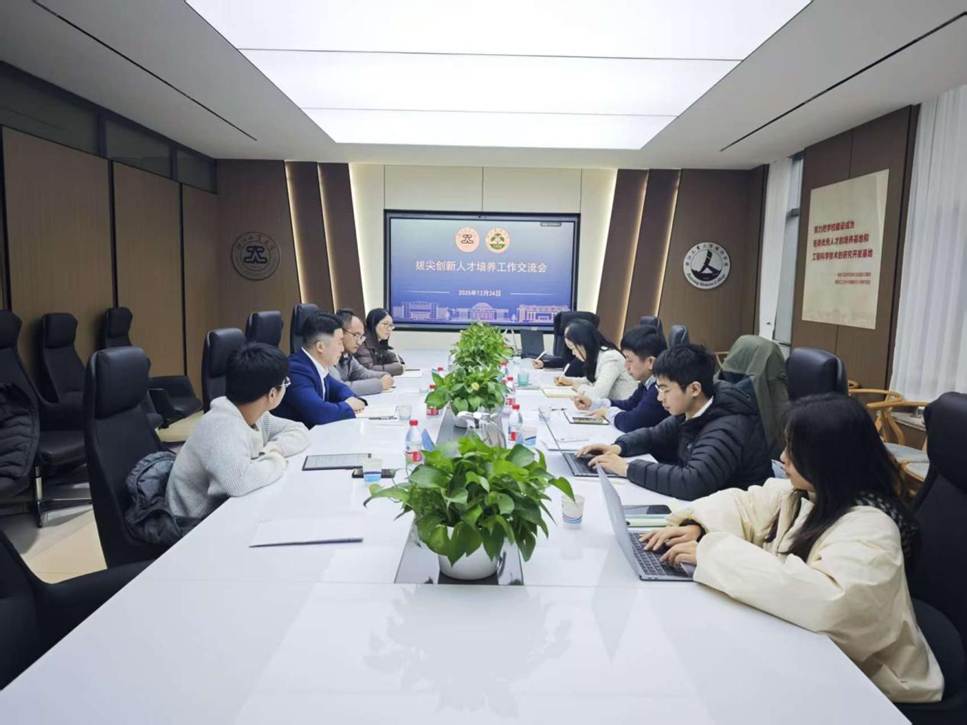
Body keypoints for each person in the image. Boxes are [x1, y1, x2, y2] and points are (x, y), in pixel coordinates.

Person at [641, 394, 943, 704]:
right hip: (810, 655)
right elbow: (747, 505)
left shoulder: (872, 527)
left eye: (795, 451)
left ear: (830, 459)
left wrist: (712, 553)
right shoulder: (809, 493)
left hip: (869, 682)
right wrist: (699, 525)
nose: (783, 457)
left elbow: (831, 602)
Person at [579, 343, 772, 500]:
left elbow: (692, 482)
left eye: (665, 389)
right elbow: (654, 435)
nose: (659, 397)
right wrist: (617, 448)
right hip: (709, 505)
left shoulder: (728, 426)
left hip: (737, 518)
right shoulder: (692, 409)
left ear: (694, 389)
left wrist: (627, 468)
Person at [166, 343, 310, 521]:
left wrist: (273, 448)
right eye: (285, 383)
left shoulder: (254, 414)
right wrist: (276, 460)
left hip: (223, 510)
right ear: (272, 394)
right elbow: (239, 482)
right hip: (192, 524)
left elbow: (299, 430)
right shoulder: (222, 426)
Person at [274, 312, 367, 427]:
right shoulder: (296, 370)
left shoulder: (317, 366)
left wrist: (350, 399)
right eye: (339, 343)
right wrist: (348, 406)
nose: (342, 349)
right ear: (320, 347)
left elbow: (339, 388)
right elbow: (320, 413)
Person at [573, 325, 669, 433]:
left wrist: (607, 413)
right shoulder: (647, 382)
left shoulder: (659, 389)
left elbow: (632, 423)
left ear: (650, 362)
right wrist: (594, 404)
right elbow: (629, 405)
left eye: (629, 360)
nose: (626, 366)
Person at [553, 319, 637, 401]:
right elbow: (594, 380)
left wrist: (578, 386)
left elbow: (598, 395)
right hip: (609, 406)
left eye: (573, 348)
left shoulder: (611, 358)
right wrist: (570, 381)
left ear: (583, 343)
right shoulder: (599, 355)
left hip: (623, 408)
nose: (573, 353)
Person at [332, 308, 394, 396]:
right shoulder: (328, 356)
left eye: (361, 336)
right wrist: (379, 384)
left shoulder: (347, 355)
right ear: (340, 333)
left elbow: (362, 373)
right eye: (355, 335)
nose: (359, 342)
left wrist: (384, 375)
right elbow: (339, 388)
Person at [355, 308, 405, 376]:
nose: (389, 329)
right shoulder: (362, 343)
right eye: (385, 324)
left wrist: (395, 359)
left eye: (391, 325)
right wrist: (397, 368)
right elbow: (367, 370)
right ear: (373, 324)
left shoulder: (377, 343)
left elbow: (392, 357)